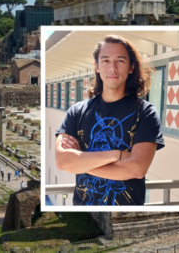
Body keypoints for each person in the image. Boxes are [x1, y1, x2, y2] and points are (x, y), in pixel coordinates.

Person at [55, 34, 164, 206]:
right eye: (105, 60)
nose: (112, 68)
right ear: (97, 66)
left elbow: (137, 169)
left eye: (120, 61)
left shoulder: (145, 112)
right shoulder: (77, 111)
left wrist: (79, 162)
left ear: (131, 67)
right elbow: (62, 161)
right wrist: (117, 155)